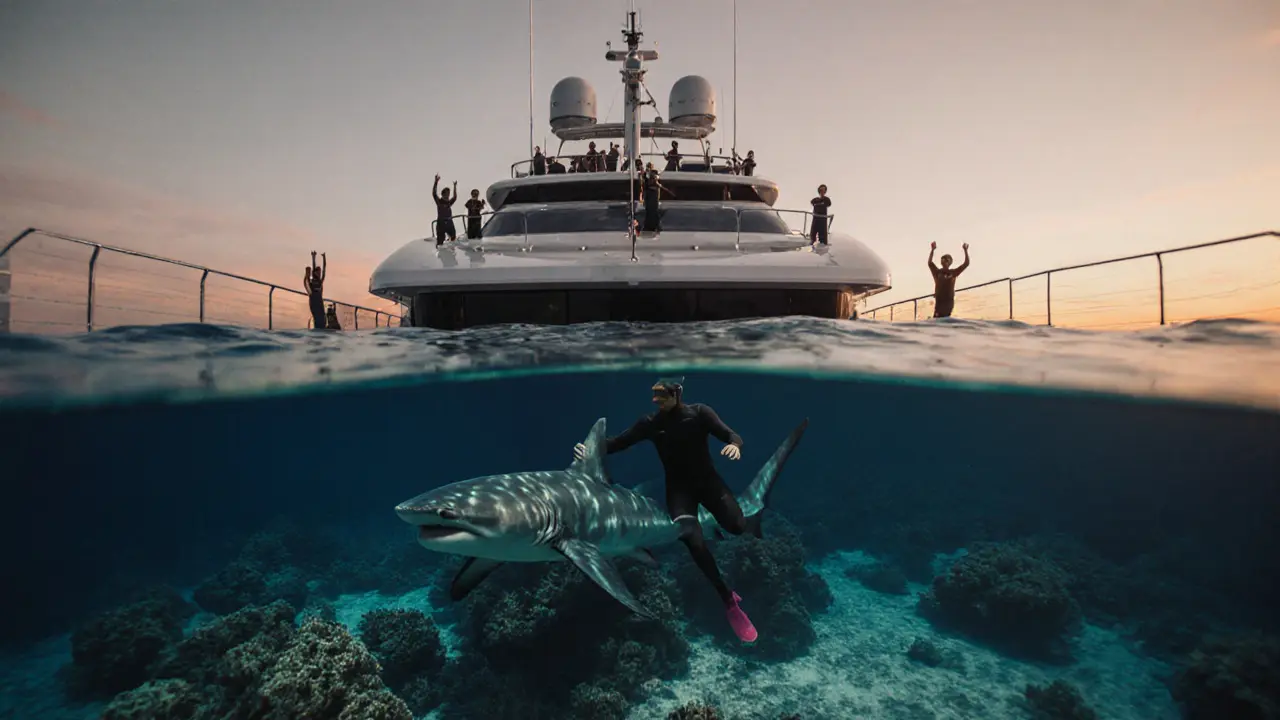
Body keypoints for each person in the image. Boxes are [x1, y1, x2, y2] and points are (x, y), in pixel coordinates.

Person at [573, 377, 759, 643]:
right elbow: (618, 443)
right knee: (691, 539)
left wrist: (735, 445)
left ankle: (749, 522)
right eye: (654, 395)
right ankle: (728, 600)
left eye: (661, 396)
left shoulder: (700, 413)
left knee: (737, 527)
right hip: (678, 490)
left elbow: (730, 434)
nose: (656, 400)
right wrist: (589, 449)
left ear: (677, 394)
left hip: (709, 483)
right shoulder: (650, 423)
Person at [928, 242, 970, 318]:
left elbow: (966, 264)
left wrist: (965, 250)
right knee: (937, 317)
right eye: (943, 259)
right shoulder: (937, 272)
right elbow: (930, 263)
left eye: (947, 260)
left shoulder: (953, 272)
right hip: (939, 301)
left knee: (945, 317)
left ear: (950, 262)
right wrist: (932, 250)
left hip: (948, 301)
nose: (944, 261)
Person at [433, 175, 458, 246]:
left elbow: (455, 197)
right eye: (447, 194)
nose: (448, 196)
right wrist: (436, 182)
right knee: (440, 241)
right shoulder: (439, 202)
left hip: (449, 222)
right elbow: (434, 194)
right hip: (441, 223)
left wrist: (455, 186)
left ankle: (452, 252)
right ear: (443, 195)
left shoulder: (449, 203)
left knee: (453, 237)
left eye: (449, 194)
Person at [303, 251, 325, 330]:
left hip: (319, 300)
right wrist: (313, 257)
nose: (319, 273)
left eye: (320, 272)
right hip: (314, 299)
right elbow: (313, 266)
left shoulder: (320, 280)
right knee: (317, 318)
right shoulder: (313, 280)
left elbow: (324, 269)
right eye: (318, 272)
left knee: (322, 318)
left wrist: (324, 258)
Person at [640, 163, 664, 233]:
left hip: (653, 198)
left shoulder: (654, 174)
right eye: (648, 167)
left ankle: (654, 225)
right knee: (649, 212)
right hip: (649, 197)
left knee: (653, 212)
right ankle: (649, 226)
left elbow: (656, 181)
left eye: (649, 167)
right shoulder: (646, 176)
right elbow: (644, 187)